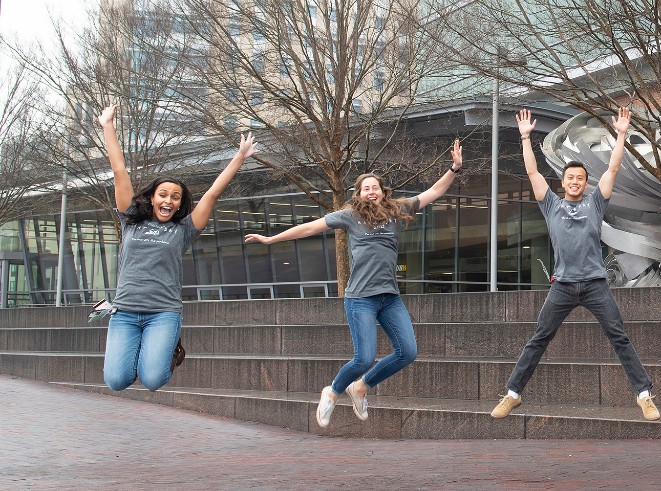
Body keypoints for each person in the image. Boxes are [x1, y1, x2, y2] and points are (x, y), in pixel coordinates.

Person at [244, 140, 464, 427]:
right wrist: (272, 239)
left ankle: (360, 388)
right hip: (360, 298)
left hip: (389, 297)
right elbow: (311, 227)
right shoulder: (350, 216)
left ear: (383, 192)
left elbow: (434, 192)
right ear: (359, 194)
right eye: (366, 188)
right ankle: (333, 392)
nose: (371, 191)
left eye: (375, 187)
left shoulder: (398, 211)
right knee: (363, 358)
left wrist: (454, 168)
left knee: (407, 352)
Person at [490, 108, 660, 421]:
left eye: (580, 178)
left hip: (595, 284)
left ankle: (644, 395)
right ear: (563, 182)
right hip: (564, 286)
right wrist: (526, 138)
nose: (575, 182)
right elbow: (532, 173)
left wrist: (621, 134)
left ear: (585, 183)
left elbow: (612, 168)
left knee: (618, 336)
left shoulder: (595, 203)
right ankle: (513, 394)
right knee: (539, 338)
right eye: (570, 178)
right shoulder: (551, 205)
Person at [99, 104, 256, 391]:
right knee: (116, 381)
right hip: (125, 313)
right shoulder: (130, 221)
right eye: (163, 195)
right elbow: (119, 169)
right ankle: (141, 354)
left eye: (175, 197)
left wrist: (240, 156)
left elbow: (212, 193)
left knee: (153, 380)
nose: (168, 201)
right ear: (151, 198)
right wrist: (107, 124)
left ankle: (165, 351)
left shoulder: (182, 230)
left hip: (163, 313)